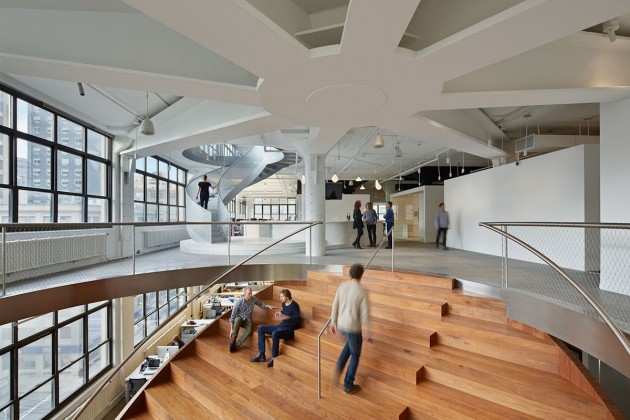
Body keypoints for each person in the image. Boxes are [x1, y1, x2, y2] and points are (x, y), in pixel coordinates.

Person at [330, 263, 370, 395]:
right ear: (361, 275)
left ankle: (339, 367)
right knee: (355, 355)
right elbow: (365, 313)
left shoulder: (342, 286)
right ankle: (348, 385)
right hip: (353, 327)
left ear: (350, 273)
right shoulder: (362, 291)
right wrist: (367, 330)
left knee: (349, 347)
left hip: (342, 325)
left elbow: (335, 304)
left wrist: (333, 322)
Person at [250, 289, 301, 368]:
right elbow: (284, 311)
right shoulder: (284, 304)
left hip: (289, 330)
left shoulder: (294, 305)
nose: (280, 298)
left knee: (275, 333)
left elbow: (297, 320)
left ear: (287, 297)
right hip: (281, 326)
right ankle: (261, 354)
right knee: (260, 328)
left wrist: (286, 317)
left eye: (282, 297)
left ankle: (274, 358)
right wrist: (280, 313)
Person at [229, 287, 276, 352]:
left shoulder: (254, 299)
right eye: (249, 294)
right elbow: (232, 317)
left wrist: (268, 306)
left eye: (251, 293)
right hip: (239, 319)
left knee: (249, 330)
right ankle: (233, 341)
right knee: (237, 320)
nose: (251, 295)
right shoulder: (239, 302)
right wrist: (231, 329)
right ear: (245, 294)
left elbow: (261, 305)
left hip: (248, 320)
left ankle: (236, 345)